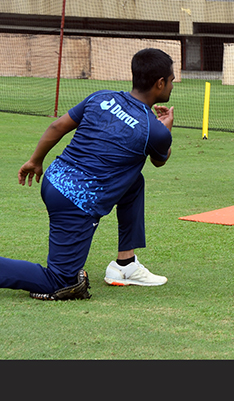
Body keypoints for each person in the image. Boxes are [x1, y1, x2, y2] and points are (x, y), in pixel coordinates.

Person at [3, 48, 176, 301]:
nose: (173, 84)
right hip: (75, 201)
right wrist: (166, 132)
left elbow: (57, 126)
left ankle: (125, 265)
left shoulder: (102, 97)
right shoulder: (155, 131)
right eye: (171, 80)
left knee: (133, 182)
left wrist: (35, 161)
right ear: (160, 84)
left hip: (53, 179)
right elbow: (160, 160)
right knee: (58, 281)